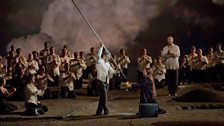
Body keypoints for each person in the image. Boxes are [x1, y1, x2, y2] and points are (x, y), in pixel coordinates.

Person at [95, 44, 116, 116]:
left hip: (106, 82)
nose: (109, 58)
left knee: (102, 98)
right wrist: (101, 47)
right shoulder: (99, 61)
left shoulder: (107, 64)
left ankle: (98, 112)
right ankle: (106, 111)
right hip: (100, 81)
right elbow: (98, 56)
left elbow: (112, 71)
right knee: (104, 97)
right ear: (104, 56)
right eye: (108, 57)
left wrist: (117, 70)